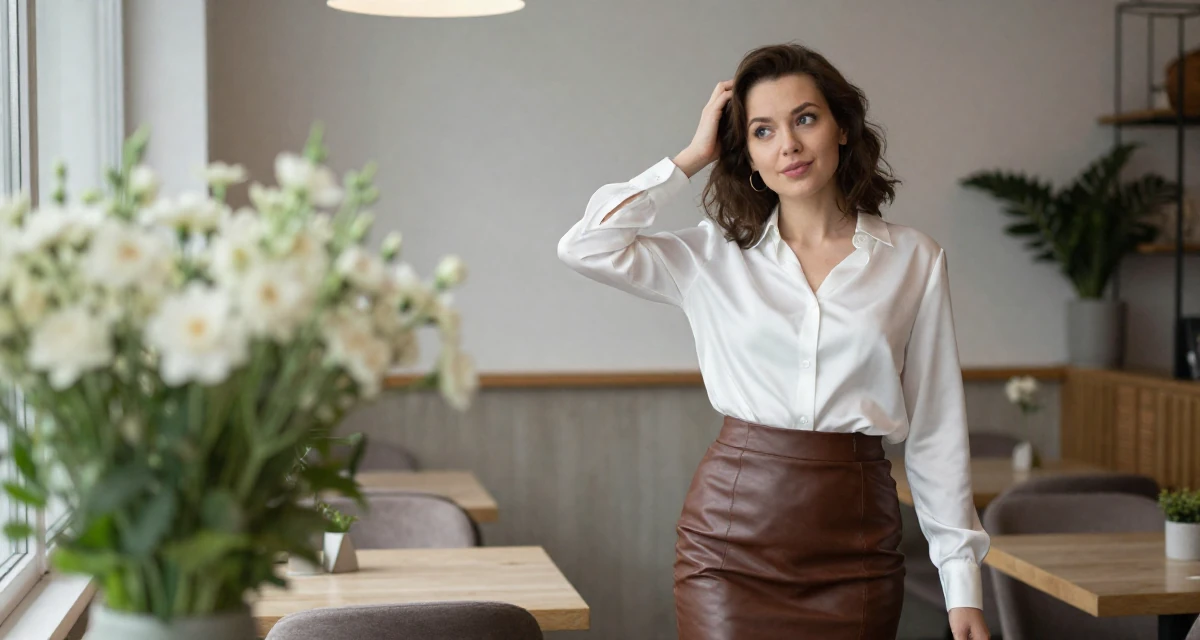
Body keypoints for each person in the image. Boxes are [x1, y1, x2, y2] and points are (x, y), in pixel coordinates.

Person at [557, 43, 990, 640]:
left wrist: (962, 586)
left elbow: (937, 430)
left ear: (842, 128)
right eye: (763, 131)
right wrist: (691, 157)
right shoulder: (711, 256)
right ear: (748, 156)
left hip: (856, 546)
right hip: (730, 548)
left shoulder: (914, 259)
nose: (788, 144)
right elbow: (585, 246)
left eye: (805, 119)